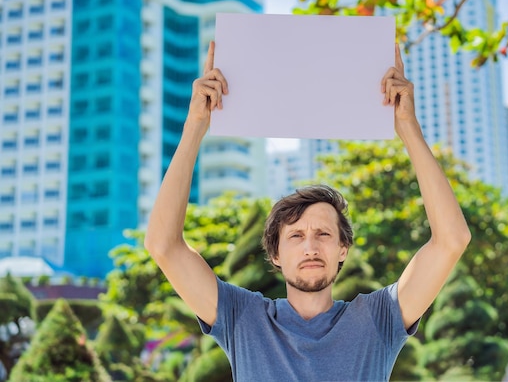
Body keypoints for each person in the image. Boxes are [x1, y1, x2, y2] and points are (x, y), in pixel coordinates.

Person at [145, 40, 471, 381]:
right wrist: (195, 124)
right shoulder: (243, 317)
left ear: (343, 248)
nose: (311, 247)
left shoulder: (379, 318)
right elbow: (163, 245)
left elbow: (452, 239)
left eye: (324, 234)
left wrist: (408, 127)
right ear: (276, 253)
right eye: (296, 236)